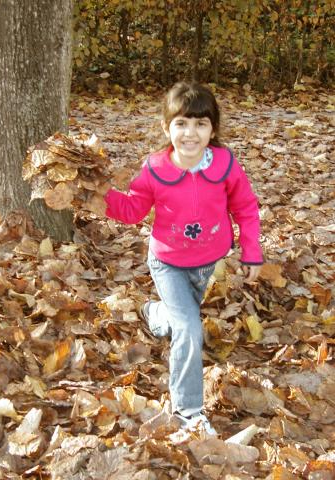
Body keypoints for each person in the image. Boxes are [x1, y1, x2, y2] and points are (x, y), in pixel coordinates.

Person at [101, 81, 263, 437]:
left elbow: (246, 208)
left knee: (179, 321)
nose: (190, 133)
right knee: (190, 329)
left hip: (210, 263)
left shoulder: (225, 164)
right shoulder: (155, 168)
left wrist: (251, 250)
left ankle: (154, 314)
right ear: (166, 127)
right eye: (181, 123)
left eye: (200, 124)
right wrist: (98, 195)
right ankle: (188, 412)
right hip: (168, 263)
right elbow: (131, 209)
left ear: (213, 128)